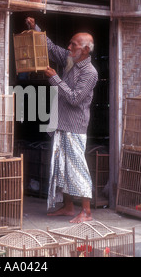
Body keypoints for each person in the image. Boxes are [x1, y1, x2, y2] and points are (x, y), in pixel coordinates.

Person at [25, 17, 98, 223]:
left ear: (84, 50)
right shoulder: (70, 59)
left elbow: (75, 98)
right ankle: (67, 206)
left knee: (77, 167)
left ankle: (87, 212)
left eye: (73, 44)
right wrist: (35, 28)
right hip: (61, 123)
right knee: (62, 167)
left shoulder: (90, 73)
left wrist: (55, 78)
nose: (69, 47)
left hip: (75, 127)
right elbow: (50, 47)